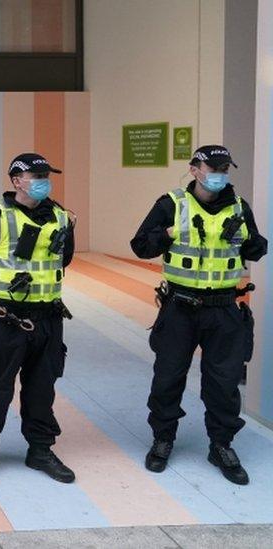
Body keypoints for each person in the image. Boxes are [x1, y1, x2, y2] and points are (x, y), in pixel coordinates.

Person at [130, 145, 267, 485]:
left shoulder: (238, 207)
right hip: (180, 307)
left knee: (223, 383)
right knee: (168, 377)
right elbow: (140, 245)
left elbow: (257, 248)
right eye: (213, 167)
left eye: (224, 167)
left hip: (223, 308)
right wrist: (167, 234)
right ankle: (163, 439)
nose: (219, 173)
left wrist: (248, 238)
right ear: (194, 169)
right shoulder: (171, 204)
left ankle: (221, 444)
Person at [0, 153, 77, 487]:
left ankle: (40, 449)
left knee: (42, 389)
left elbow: (64, 259)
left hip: (48, 317)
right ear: (16, 180)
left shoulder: (62, 217)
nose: (42, 180)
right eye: (35, 175)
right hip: (4, 318)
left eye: (45, 175)